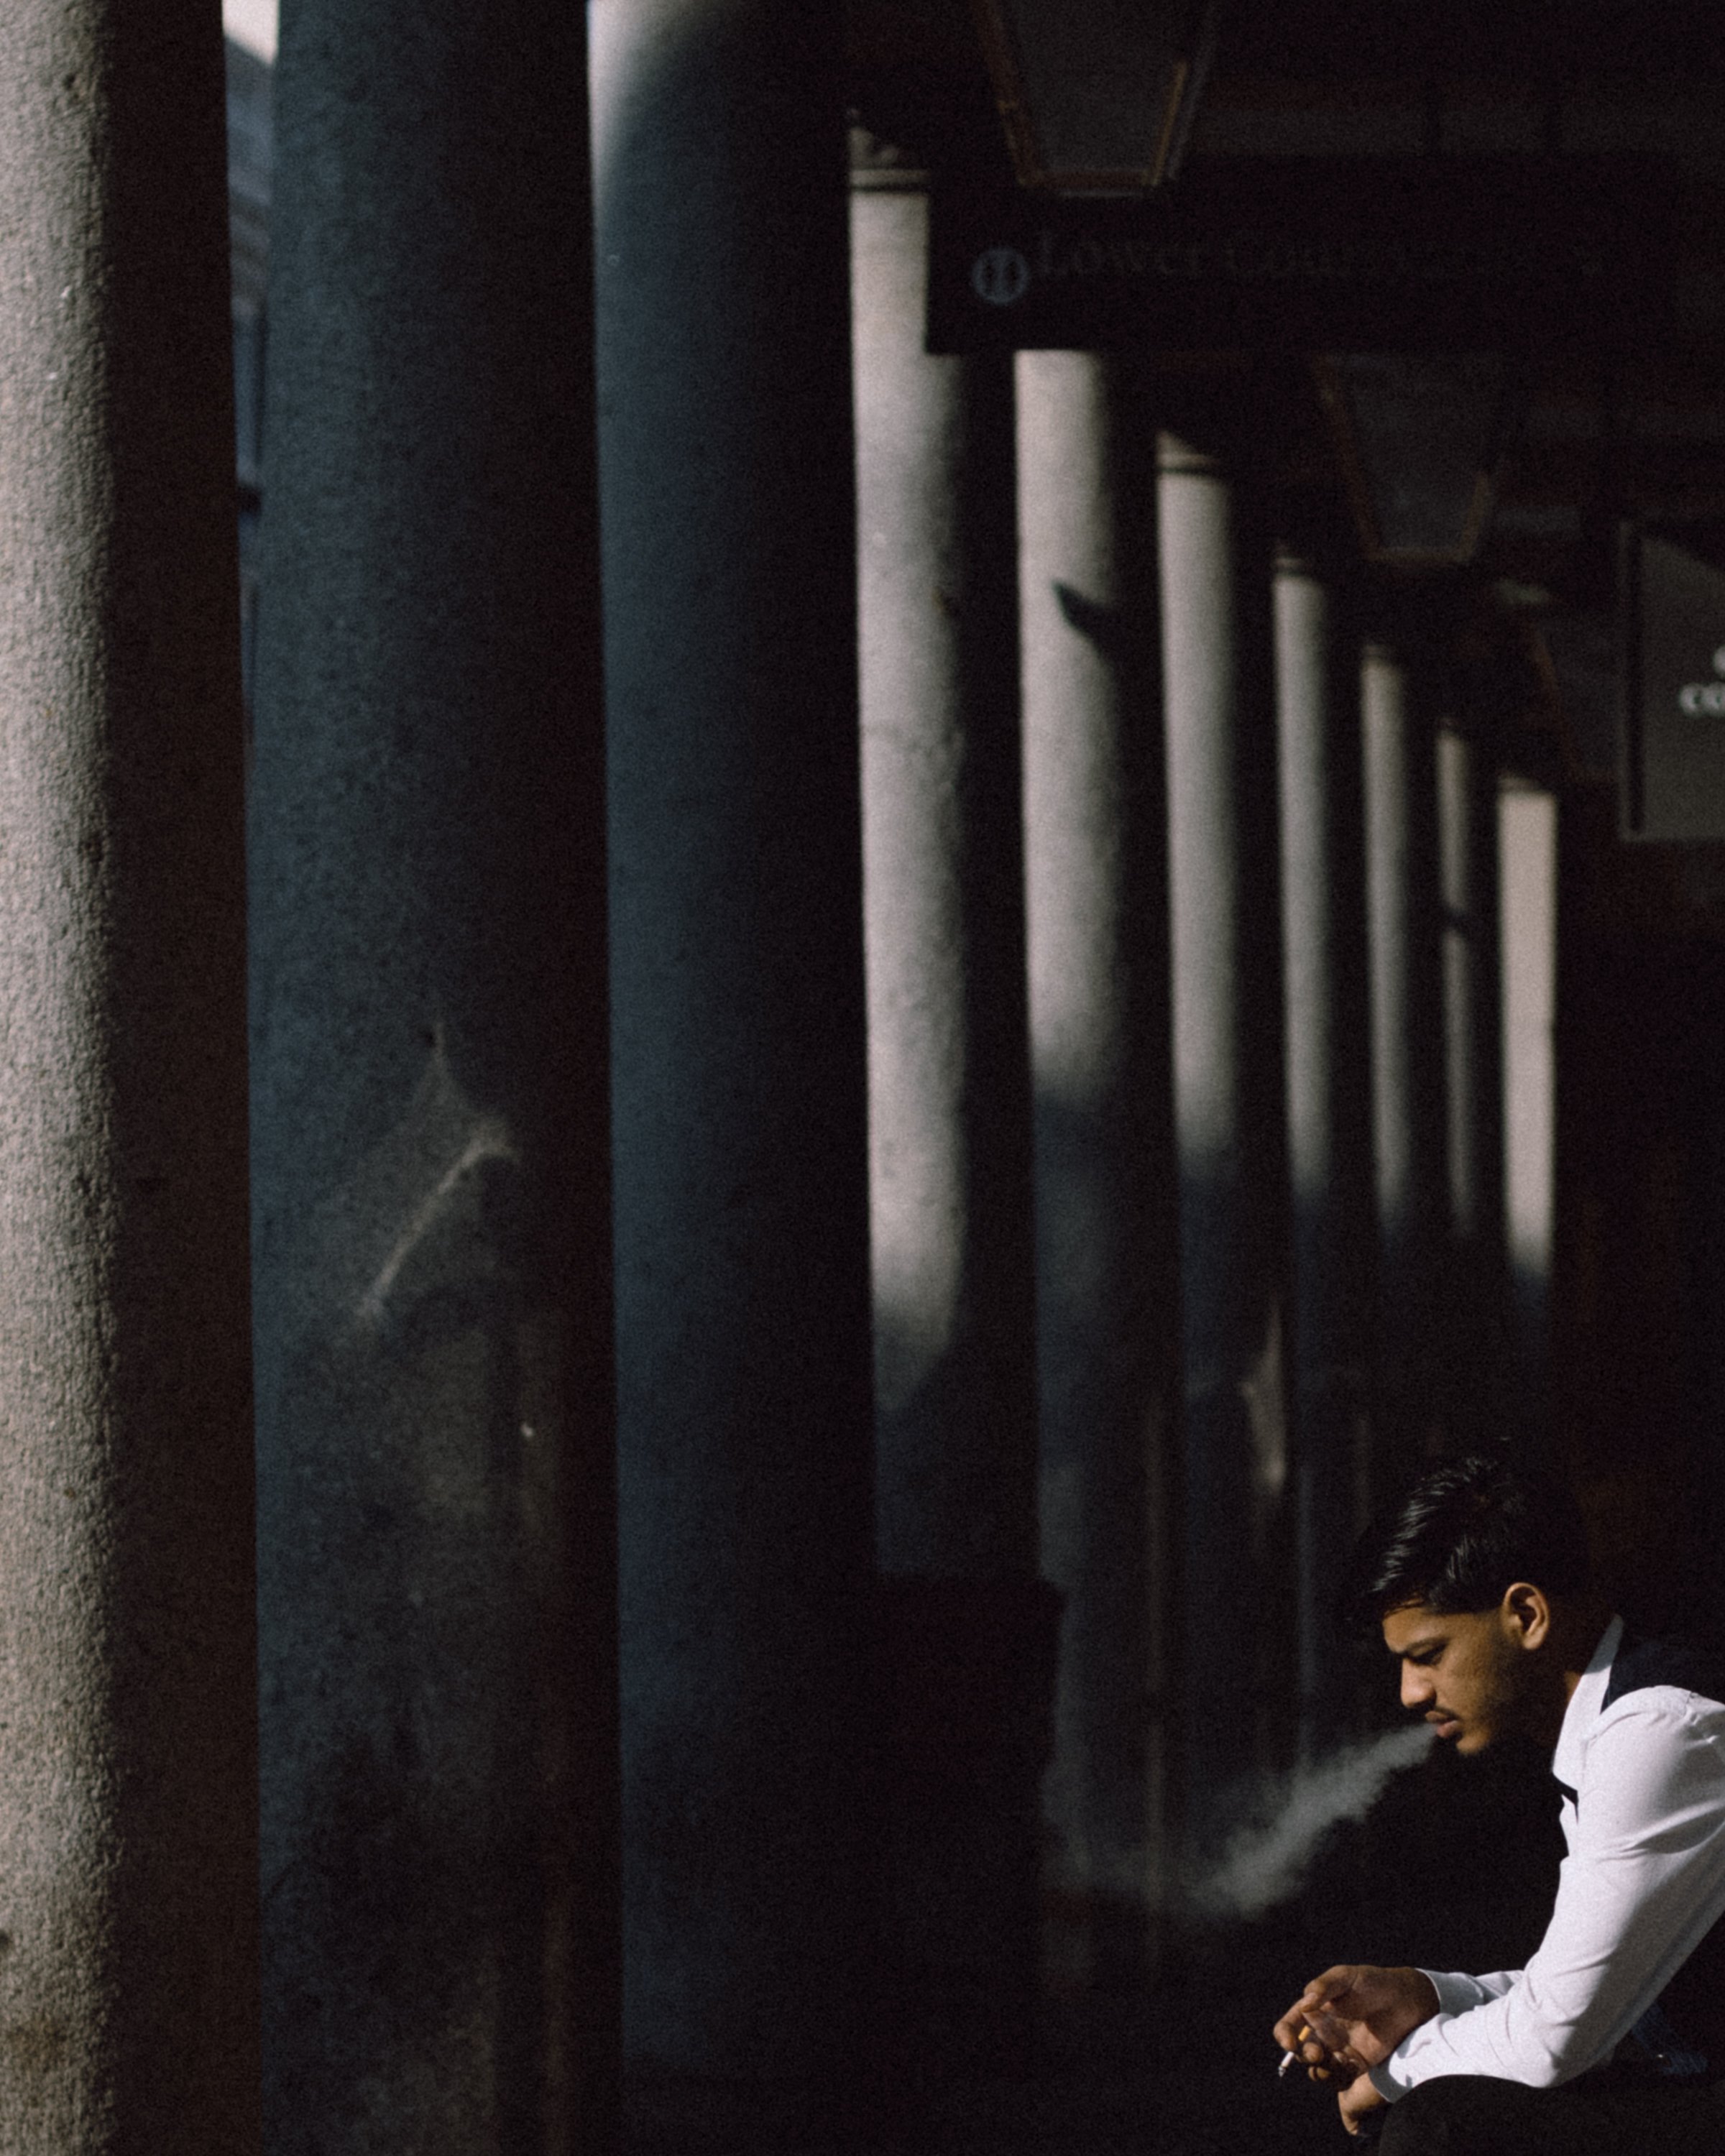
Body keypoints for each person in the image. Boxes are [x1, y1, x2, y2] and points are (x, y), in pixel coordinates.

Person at [1272, 1451, 1725, 2154]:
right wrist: (1429, 1997)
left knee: (1442, 2123)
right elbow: (1597, 1991)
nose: (1410, 1694)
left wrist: (1395, 2073)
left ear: (1526, 1614)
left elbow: (1557, 2038)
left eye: (1428, 1654)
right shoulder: (1617, 1728)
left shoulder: (1659, 1734)